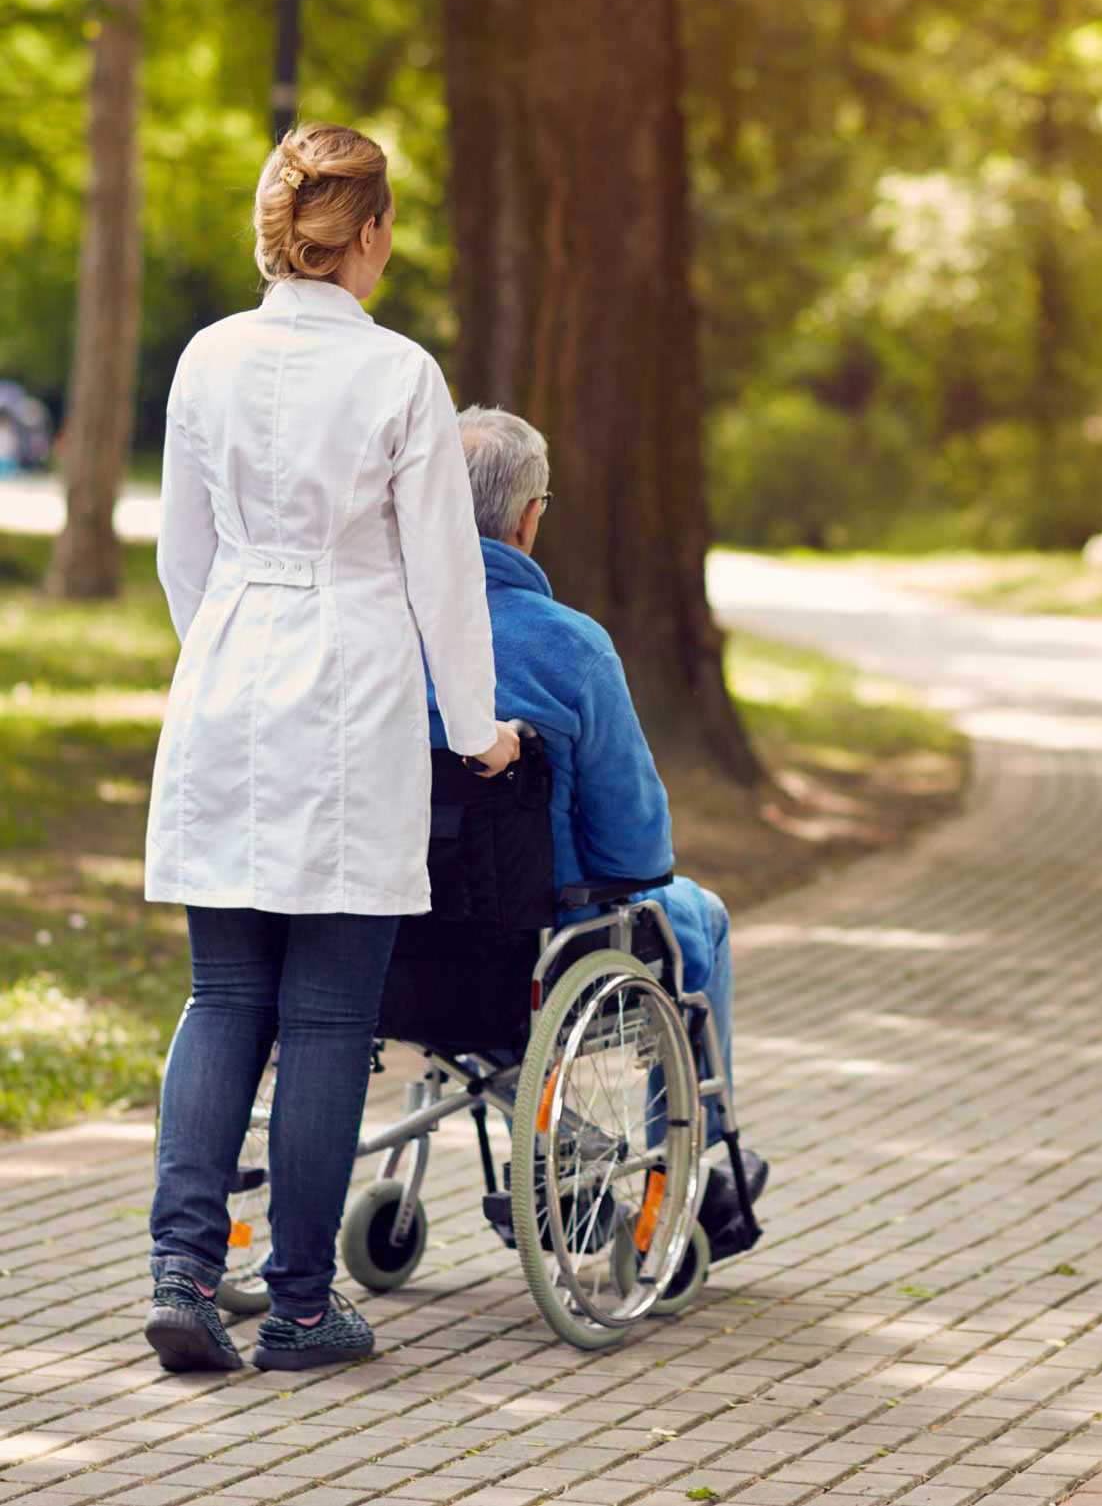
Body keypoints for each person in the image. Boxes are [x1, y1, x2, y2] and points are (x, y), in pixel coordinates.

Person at [143, 123, 518, 1376]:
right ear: (369, 237)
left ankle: (185, 1275)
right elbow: (443, 577)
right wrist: (479, 731)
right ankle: (303, 1307)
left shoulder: (206, 359)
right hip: (349, 697)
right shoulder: (401, 375)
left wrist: (231, 655)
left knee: (223, 993)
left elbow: (181, 556)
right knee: (322, 1017)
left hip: (227, 681)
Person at [426, 407, 768, 1259]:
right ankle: (691, 1174)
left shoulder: (373, 630)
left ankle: (563, 1145)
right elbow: (636, 851)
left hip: (389, 945)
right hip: (541, 949)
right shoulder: (570, 648)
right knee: (703, 916)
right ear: (530, 516)